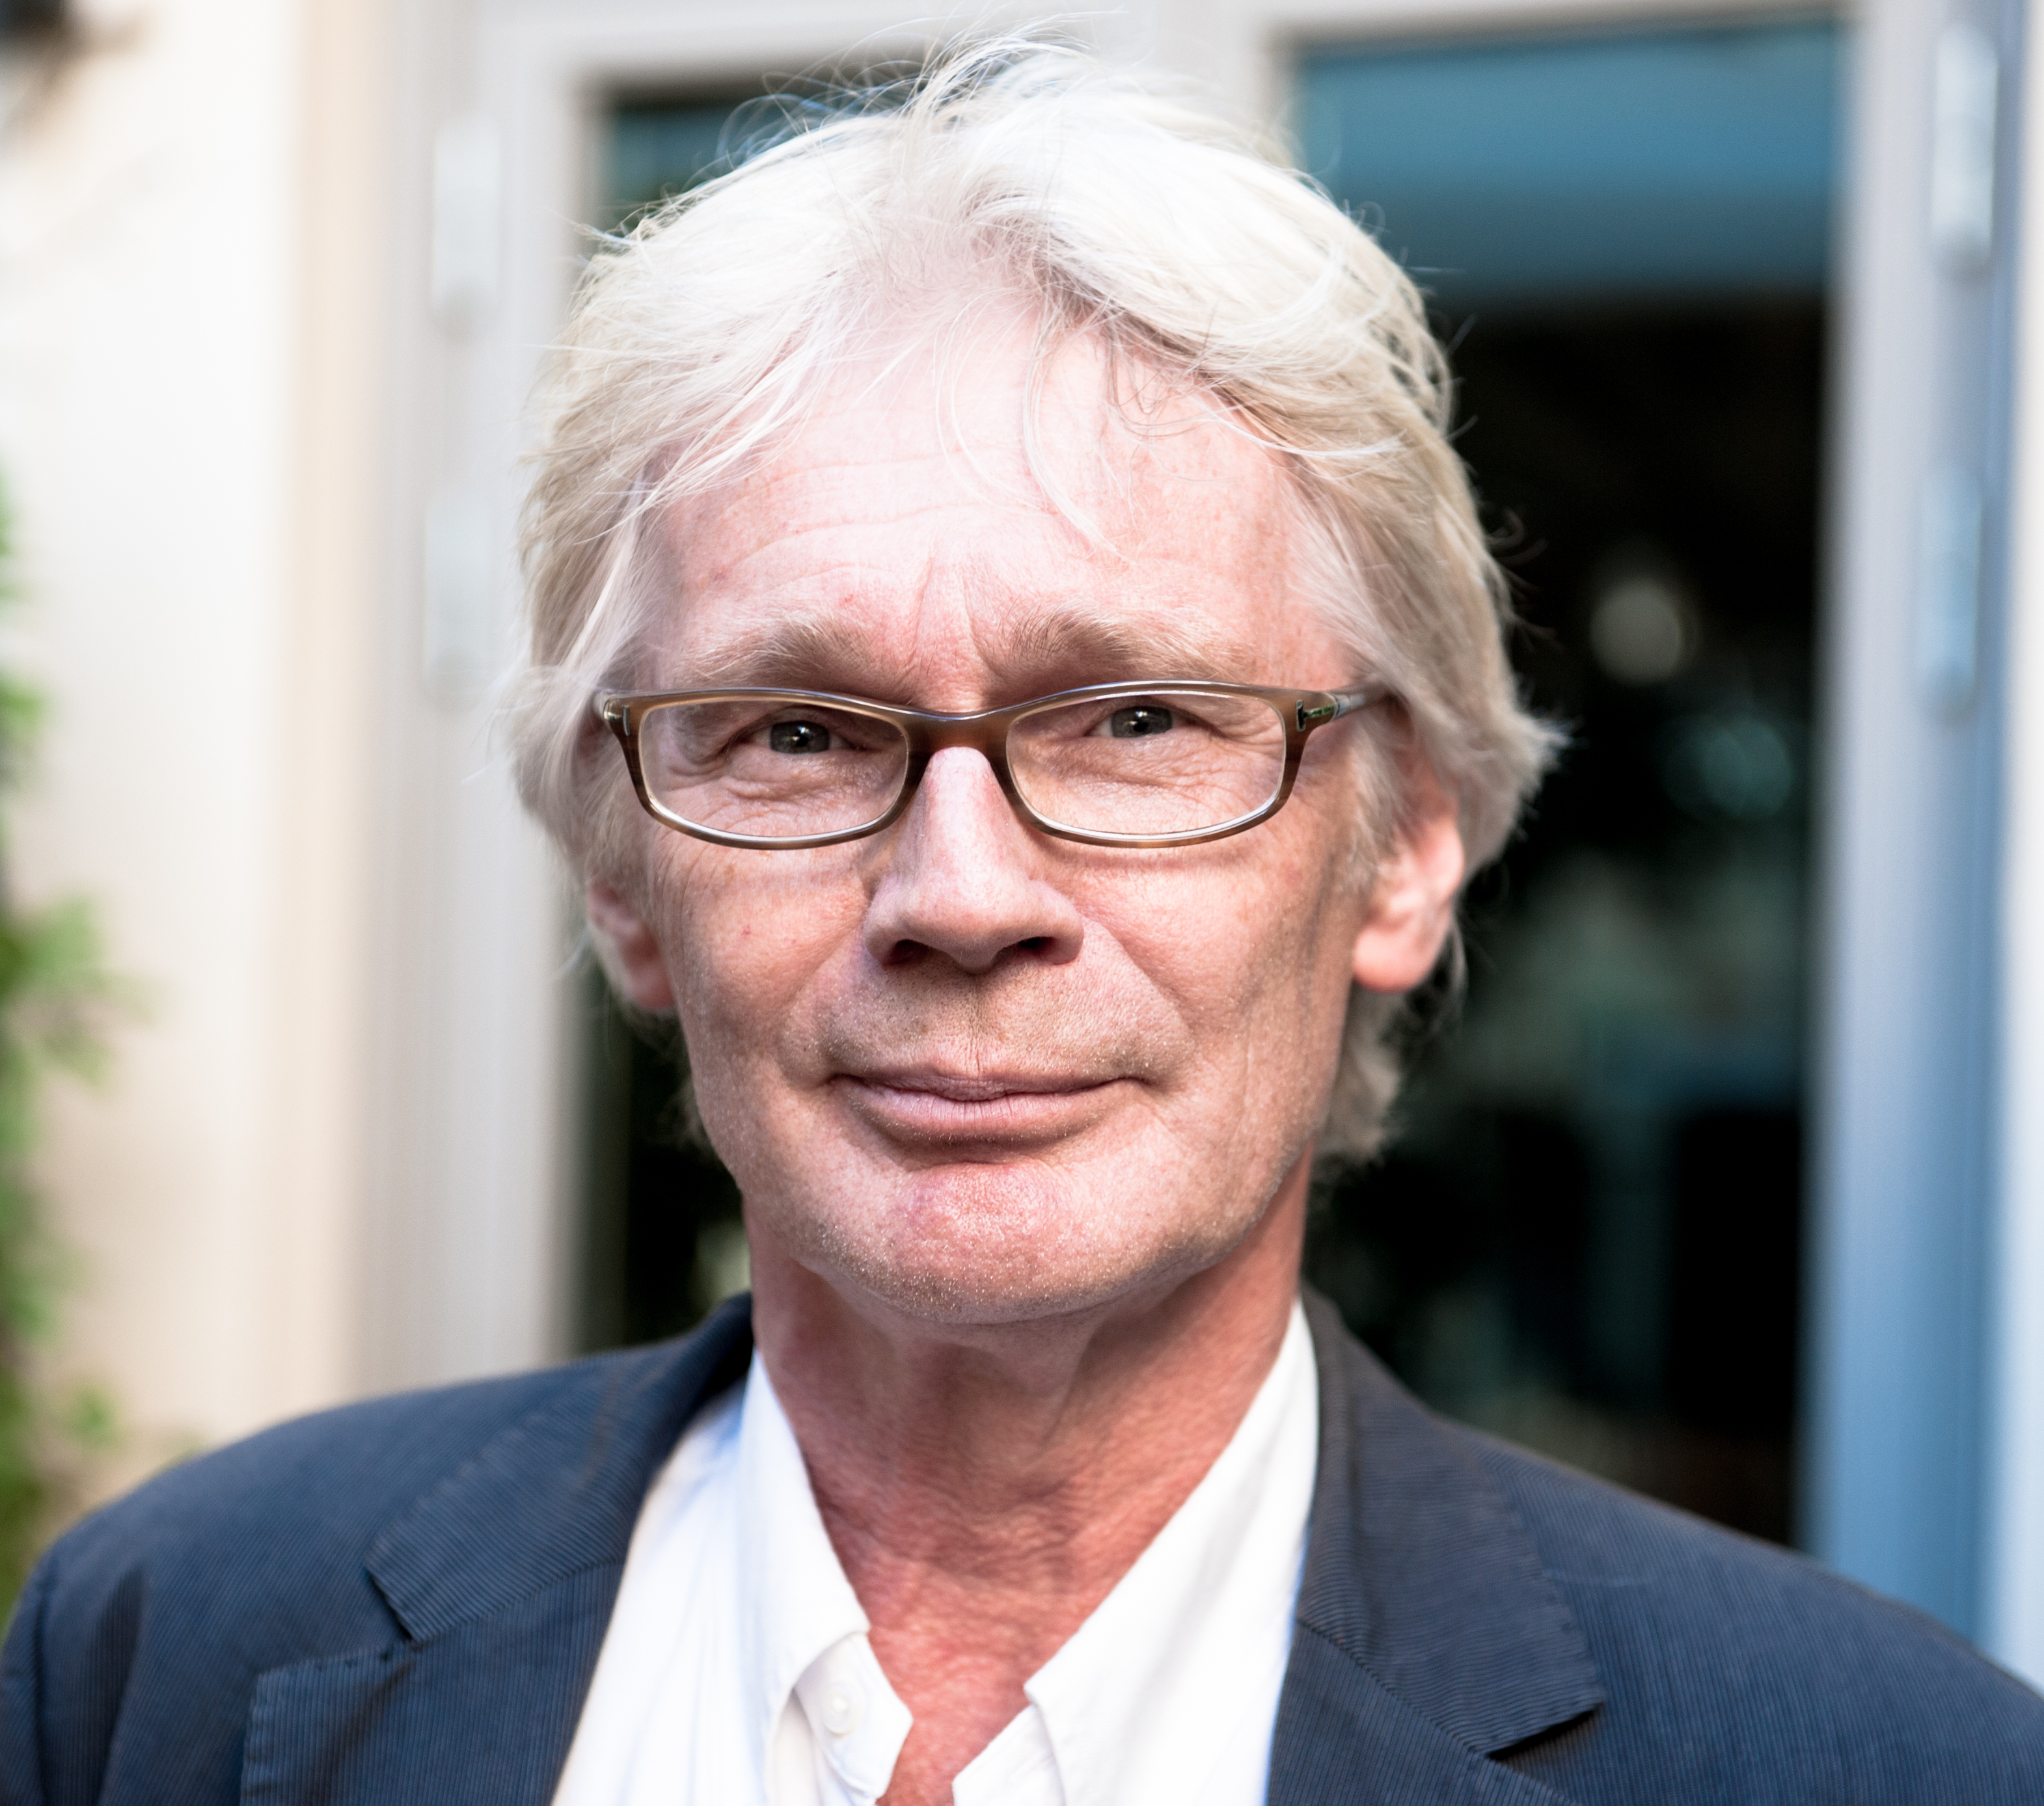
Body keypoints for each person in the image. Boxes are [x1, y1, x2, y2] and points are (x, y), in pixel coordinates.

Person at [5, 36, 2041, 1806]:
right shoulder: (162, 1649)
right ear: (623, 882)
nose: (962, 895)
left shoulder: (1883, 1766)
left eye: (1136, 720)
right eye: (799, 732)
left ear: (1405, 847)